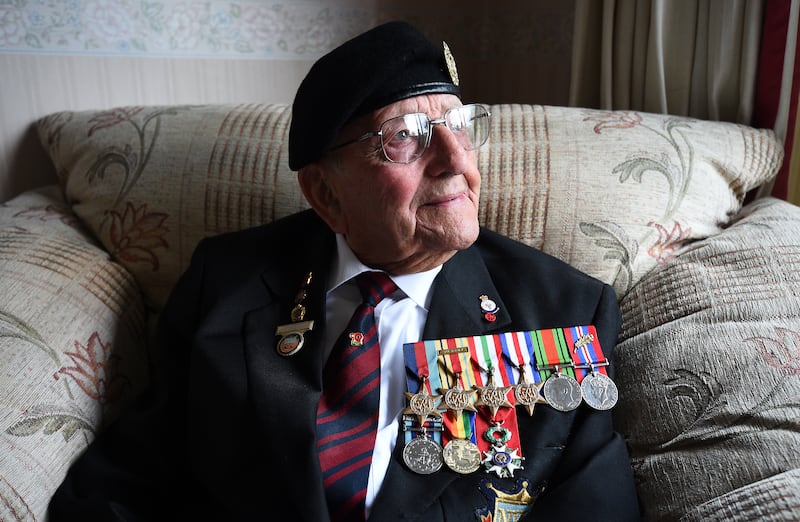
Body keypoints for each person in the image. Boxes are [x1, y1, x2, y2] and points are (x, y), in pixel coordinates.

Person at [48, 21, 640, 522]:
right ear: (325, 194)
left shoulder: (565, 311)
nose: (457, 162)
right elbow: (127, 484)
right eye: (405, 138)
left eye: (461, 125)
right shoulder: (223, 282)